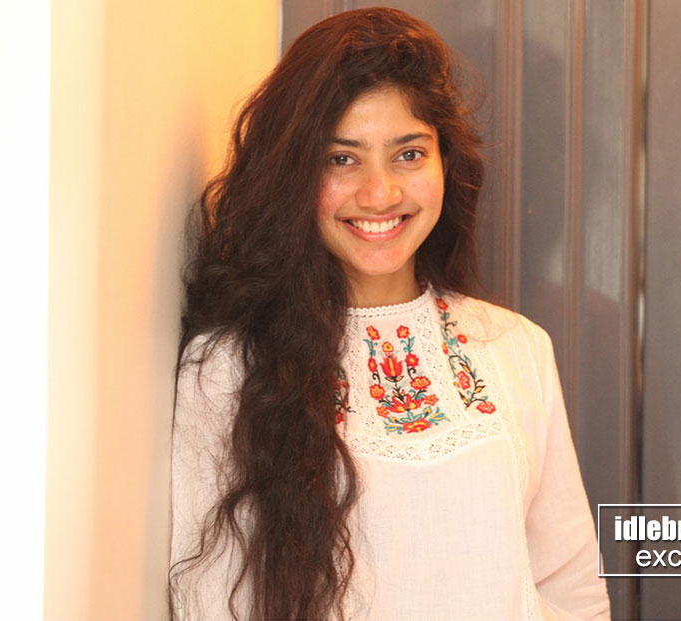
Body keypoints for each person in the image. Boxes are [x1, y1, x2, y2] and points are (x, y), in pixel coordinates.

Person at [170, 7, 610, 620]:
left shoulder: (515, 347)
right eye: (341, 159)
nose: (380, 194)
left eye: (408, 154)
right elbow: (212, 603)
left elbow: (571, 588)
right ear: (292, 174)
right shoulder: (226, 368)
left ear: (445, 164)